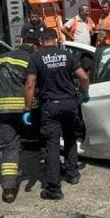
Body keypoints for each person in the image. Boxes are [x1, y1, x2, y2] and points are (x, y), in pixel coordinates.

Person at [24, 28, 90, 200]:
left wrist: (27, 108)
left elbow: (30, 84)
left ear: (41, 40)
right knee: (70, 138)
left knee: (52, 146)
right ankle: (73, 174)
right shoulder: (66, 55)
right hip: (69, 104)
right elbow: (83, 77)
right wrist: (85, 93)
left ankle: (53, 189)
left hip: (50, 107)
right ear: (56, 39)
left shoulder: (36, 57)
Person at [0, 30, 39, 202]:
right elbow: (34, 85)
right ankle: (53, 169)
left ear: (22, 41)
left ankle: (9, 189)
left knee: (9, 148)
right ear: (33, 44)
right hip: (26, 111)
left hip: (4, 112)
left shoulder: (3, 57)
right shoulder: (31, 59)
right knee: (45, 137)